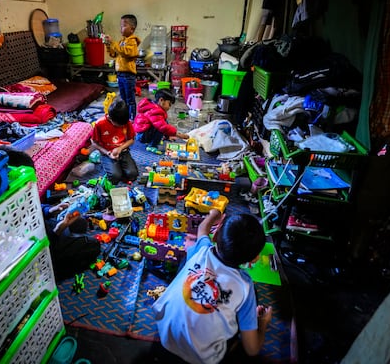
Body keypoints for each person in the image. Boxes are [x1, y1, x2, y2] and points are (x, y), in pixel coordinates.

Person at [152, 209, 272, 364]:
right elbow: (252, 349)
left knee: (187, 260)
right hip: (202, 359)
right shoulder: (246, 287)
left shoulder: (202, 250)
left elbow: (203, 228)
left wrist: (213, 215)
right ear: (255, 259)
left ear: (215, 236)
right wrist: (262, 324)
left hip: (164, 337)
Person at [42, 201, 101, 281]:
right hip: (48, 249)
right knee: (94, 246)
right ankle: (57, 273)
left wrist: (50, 210)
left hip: (48, 228)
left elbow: (36, 208)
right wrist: (57, 231)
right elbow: (41, 253)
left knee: (81, 222)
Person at [91, 98, 139, 184]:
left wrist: (120, 148)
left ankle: (119, 167)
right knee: (115, 177)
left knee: (132, 175)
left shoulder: (125, 121)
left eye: (123, 125)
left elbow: (132, 140)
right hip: (107, 153)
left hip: (123, 151)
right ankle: (110, 164)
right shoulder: (100, 124)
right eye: (119, 125)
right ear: (110, 118)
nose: (121, 126)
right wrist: (108, 153)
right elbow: (94, 142)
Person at [104, 14, 141, 120]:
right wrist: (108, 45)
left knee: (130, 99)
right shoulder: (121, 42)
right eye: (120, 26)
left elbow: (127, 53)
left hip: (129, 76)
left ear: (132, 29)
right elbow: (114, 54)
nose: (121, 28)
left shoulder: (132, 41)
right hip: (120, 75)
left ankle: (132, 119)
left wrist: (113, 43)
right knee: (123, 98)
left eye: (124, 26)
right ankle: (125, 117)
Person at [133, 88, 189, 154]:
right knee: (161, 127)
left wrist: (168, 135)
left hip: (144, 133)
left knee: (163, 123)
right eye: (169, 104)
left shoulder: (155, 107)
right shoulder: (154, 111)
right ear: (161, 100)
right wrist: (178, 135)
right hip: (142, 136)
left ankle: (161, 138)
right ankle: (152, 146)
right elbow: (162, 127)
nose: (169, 107)